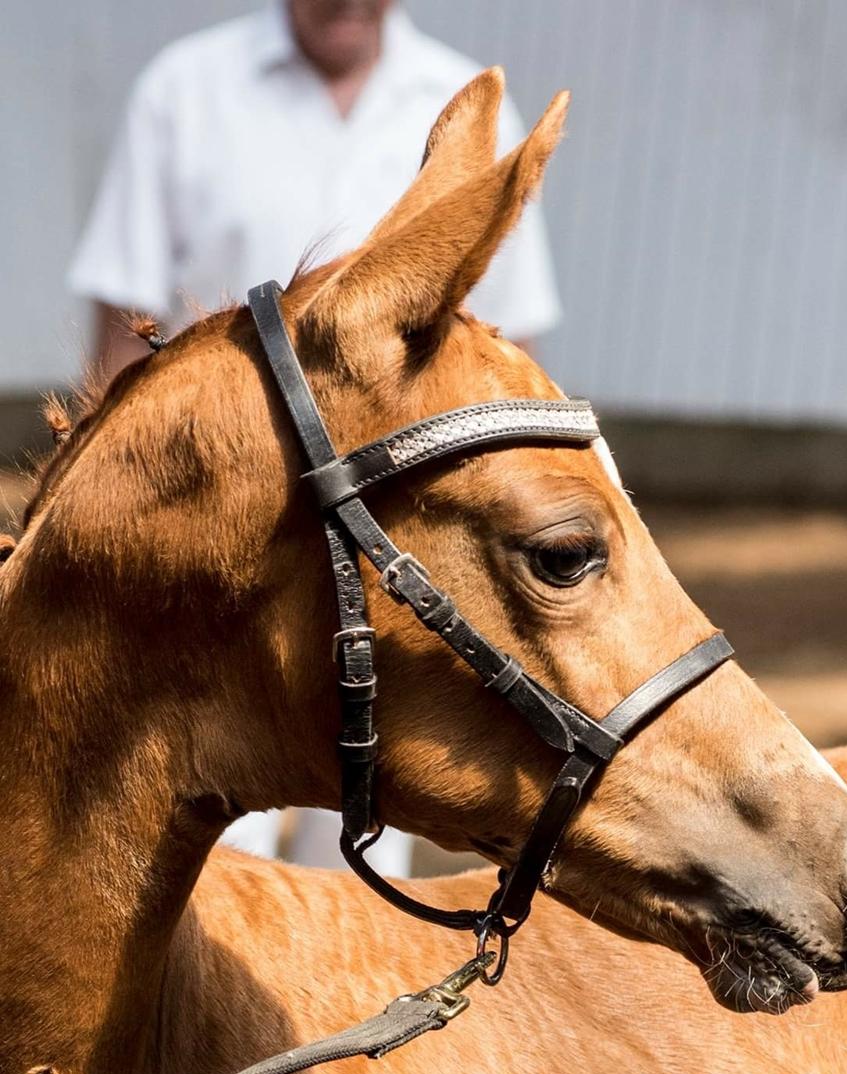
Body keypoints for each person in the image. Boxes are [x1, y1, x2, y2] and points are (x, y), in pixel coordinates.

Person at [68, 0, 561, 872]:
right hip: (217, 535)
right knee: (202, 840)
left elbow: (500, 342)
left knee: (370, 840)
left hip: (386, 539)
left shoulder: (453, 93)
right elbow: (122, 319)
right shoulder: (185, 92)